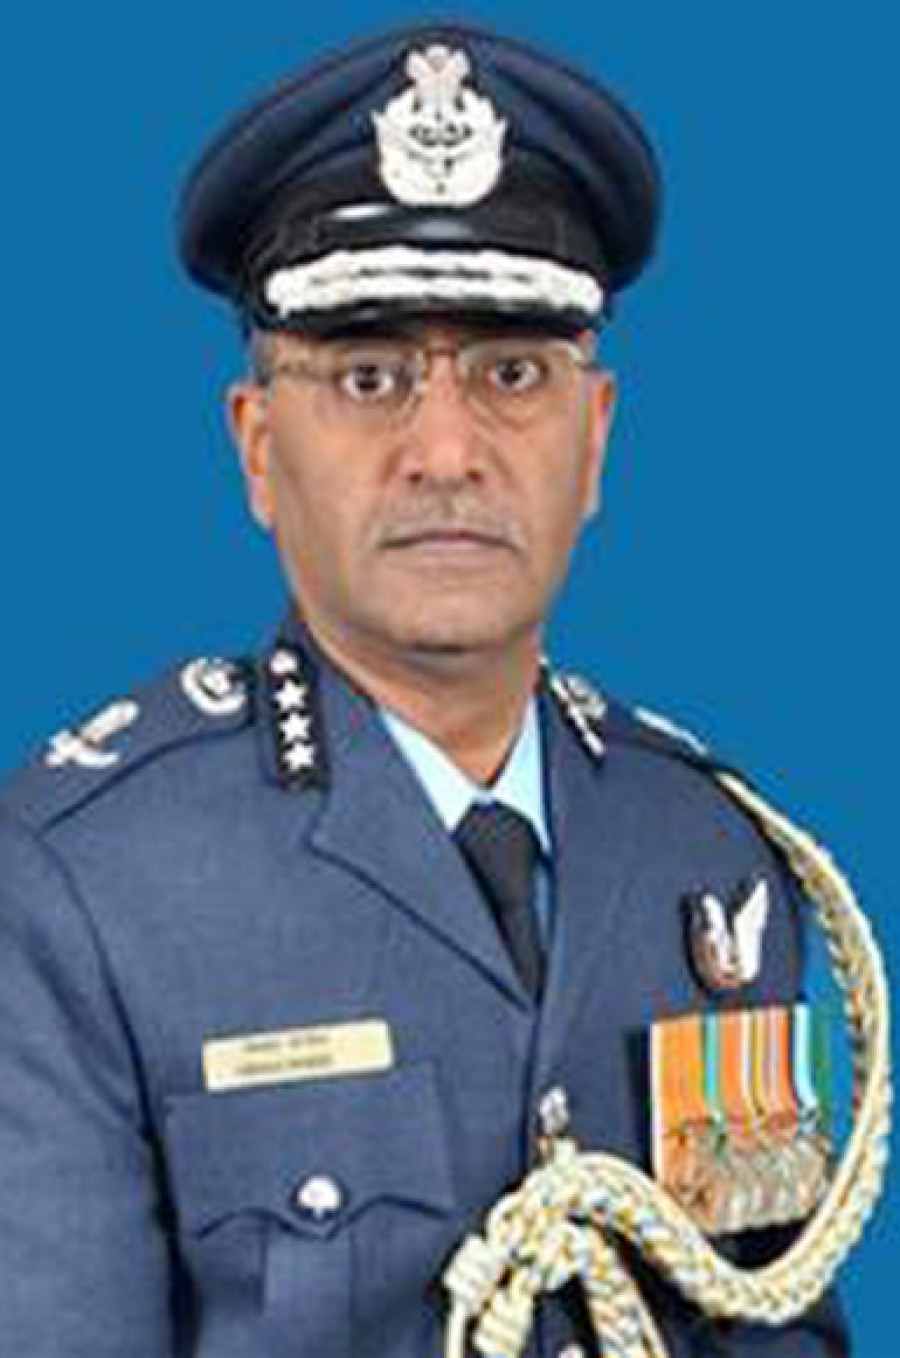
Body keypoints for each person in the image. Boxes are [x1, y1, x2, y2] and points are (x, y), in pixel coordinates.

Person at [0, 22, 852, 1358]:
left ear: (596, 440)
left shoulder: (708, 851)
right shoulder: (78, 891)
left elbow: (776, 1318)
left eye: (513, 373)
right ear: (259, 448)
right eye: (368, 375)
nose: (447, 450)